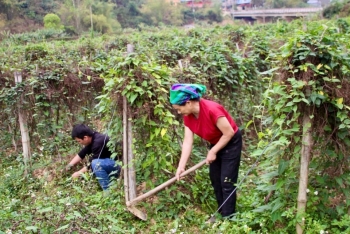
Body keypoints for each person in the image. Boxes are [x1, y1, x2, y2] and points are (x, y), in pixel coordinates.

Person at [170, 84, 242, 220]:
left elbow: (229, 133)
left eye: (179, 109)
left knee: (227, 181)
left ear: (189, 102)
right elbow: (187, 141)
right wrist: (181, 166)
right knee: (215, 179)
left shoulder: (212, 110)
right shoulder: (188, 116)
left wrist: (213, 151)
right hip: (216, 142)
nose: (179, 113)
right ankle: (222, 213)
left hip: (231, 142)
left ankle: (229, 218)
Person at [65, 124, 121, 190]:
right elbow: (82, 153)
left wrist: (78, 173)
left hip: (119, 166)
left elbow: (91, 165)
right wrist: (70, 164)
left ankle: (108, 190)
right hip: (110, 164)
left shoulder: (98, 143)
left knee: (95, 163)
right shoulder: (93, 137)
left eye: (79, 141)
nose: (79, 143)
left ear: (85, 138)